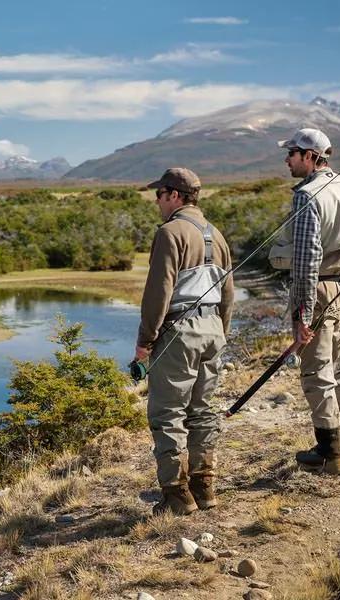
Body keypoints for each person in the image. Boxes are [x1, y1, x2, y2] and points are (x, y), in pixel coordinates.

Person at [271, 128, 340, 475]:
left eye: (292, 153)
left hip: (318, 292)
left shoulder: (306, 196)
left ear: (310, 156)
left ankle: (330, 455)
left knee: (318, 373)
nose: (287, 160)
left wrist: (301, 314)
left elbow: (306, 261)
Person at [135, 168, 234, 515]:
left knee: (167, 414)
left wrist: (145, 343)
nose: (156, 202)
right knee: (203, 411)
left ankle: (176, 495)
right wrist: (220, 332)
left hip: (179, 330)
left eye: (159, 194)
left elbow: (158, 293)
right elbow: (228, 294)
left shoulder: (170, 233)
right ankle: (204, 488)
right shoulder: (217, 235)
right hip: (213, 331)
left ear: (174, 195)